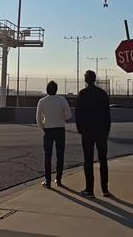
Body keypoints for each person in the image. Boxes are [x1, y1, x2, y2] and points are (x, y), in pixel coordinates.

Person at [76, 70, 111, 198]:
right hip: (101, 131)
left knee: (88, 160)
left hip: (87, 131)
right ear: (95, 79)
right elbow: (107, 114)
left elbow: (78, 113)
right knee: (103, 159)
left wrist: (80, 128)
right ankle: (105, 188)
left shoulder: (83, 94)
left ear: (86, 80)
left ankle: (89, 189)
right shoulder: (102, 94)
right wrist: (107, 129)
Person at [36, 80, 72, 188]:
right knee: (60, 156)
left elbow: (38, 119)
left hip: (48, 130)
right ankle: (59, 179)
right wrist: (61, 119)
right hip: (60, 129)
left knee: (48, 156)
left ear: (47, 89)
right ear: (56, 89)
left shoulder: (42, 101)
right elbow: (68, 115)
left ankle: (48, 181)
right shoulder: (62, 100)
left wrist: (44, 128)